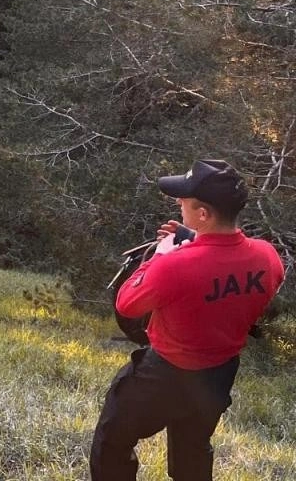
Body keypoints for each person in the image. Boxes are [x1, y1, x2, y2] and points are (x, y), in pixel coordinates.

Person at [90, 159, 285, 481]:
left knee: (112, 442)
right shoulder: (267, 256)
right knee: (192, 450)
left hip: (165, 374)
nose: (179, 204)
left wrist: (161, 255)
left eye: (183, 201)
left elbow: (127, 305)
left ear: (204, 214)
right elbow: (225, 274)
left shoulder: (173, 266)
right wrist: (196, 240)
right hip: (219, 374)